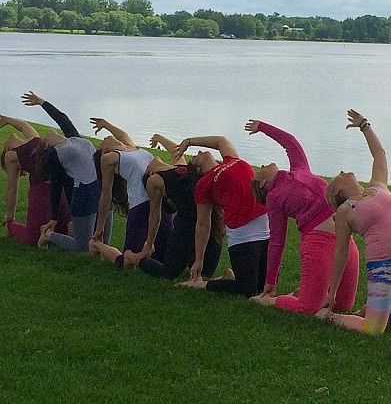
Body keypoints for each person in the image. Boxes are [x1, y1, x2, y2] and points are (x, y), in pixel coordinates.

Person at [317, 109, 391, 335]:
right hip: (384, 268)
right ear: (338, 190)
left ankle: (373, 309)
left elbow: (380, 154)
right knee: (373, 331)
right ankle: (332, 317)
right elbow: (341, 252)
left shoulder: (378, 185)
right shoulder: (346, 211)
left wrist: (364, 125)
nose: (341, 171)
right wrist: (332, 293)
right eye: (338, 176)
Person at [244, 119, 359, 314]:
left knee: (343, 306)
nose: (262, 165)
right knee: (308, 308)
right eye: (260, 171)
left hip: (345, 240)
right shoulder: (273, 198)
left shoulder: (300, 168)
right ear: (263, 185)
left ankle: (302, 292)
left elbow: (290, 142)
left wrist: (263, 127)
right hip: (318, 243)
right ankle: (271, 301)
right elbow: (277, 241)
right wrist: (271, 280)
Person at [173, 134, 269, 297]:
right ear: (198, 170)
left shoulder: (231, 160)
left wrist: (188, 142)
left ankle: (229, 277)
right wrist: (199, 260)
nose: (200, 152)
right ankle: (201, 285)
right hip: (242, 233)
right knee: (248, 291)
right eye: (196, 157)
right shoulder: (203, 184)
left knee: (262, 289)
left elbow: (220, 141)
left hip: (265, 226)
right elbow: (203, 224)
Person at [124, 134, 224, 279]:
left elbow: (176, 151)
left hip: (209, 222)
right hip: (185, 228)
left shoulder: (182, 170)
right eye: (197, 157)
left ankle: (191, 261)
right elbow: (155, 215)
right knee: (168, 274)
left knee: (207, 272)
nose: (198, 153)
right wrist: (148, 246)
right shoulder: (155, 180)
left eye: (197, 155)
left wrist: (158, 138)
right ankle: (131, 257)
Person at [28, 93, 113, 252]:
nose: (44, 135)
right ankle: (48, 235)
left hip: (102, 190)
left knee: (102, 243)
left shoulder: (74, 139)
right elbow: (56, 186)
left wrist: (41, 102)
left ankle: (99, 260)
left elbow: (62, 118)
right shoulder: (55, 155)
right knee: (81, 246)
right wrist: (54, 217)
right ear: (47, 145)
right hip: (84, 196)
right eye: (44, 138)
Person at [90, 118, 171, 267]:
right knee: (127, 262)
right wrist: (99, 228)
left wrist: (106, 124)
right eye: (101, 144)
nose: (103, 139)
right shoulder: (109, 158)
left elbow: (123, 135)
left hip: (160, 203)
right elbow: (106, 194)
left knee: (164, 259)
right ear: (104, 151)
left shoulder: (131, 148)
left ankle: (147, 249)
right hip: (140, 206)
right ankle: (97, 246)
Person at [1, 93, 71, 244]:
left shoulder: (11, 157)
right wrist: (6, 120)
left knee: (31, 237)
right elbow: (23, 125)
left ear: (6, 150)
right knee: (62, 230)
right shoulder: (34, 139)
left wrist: (9, 217)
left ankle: (10, 227)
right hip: (62, 187)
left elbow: (12, 189)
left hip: (43, 189)